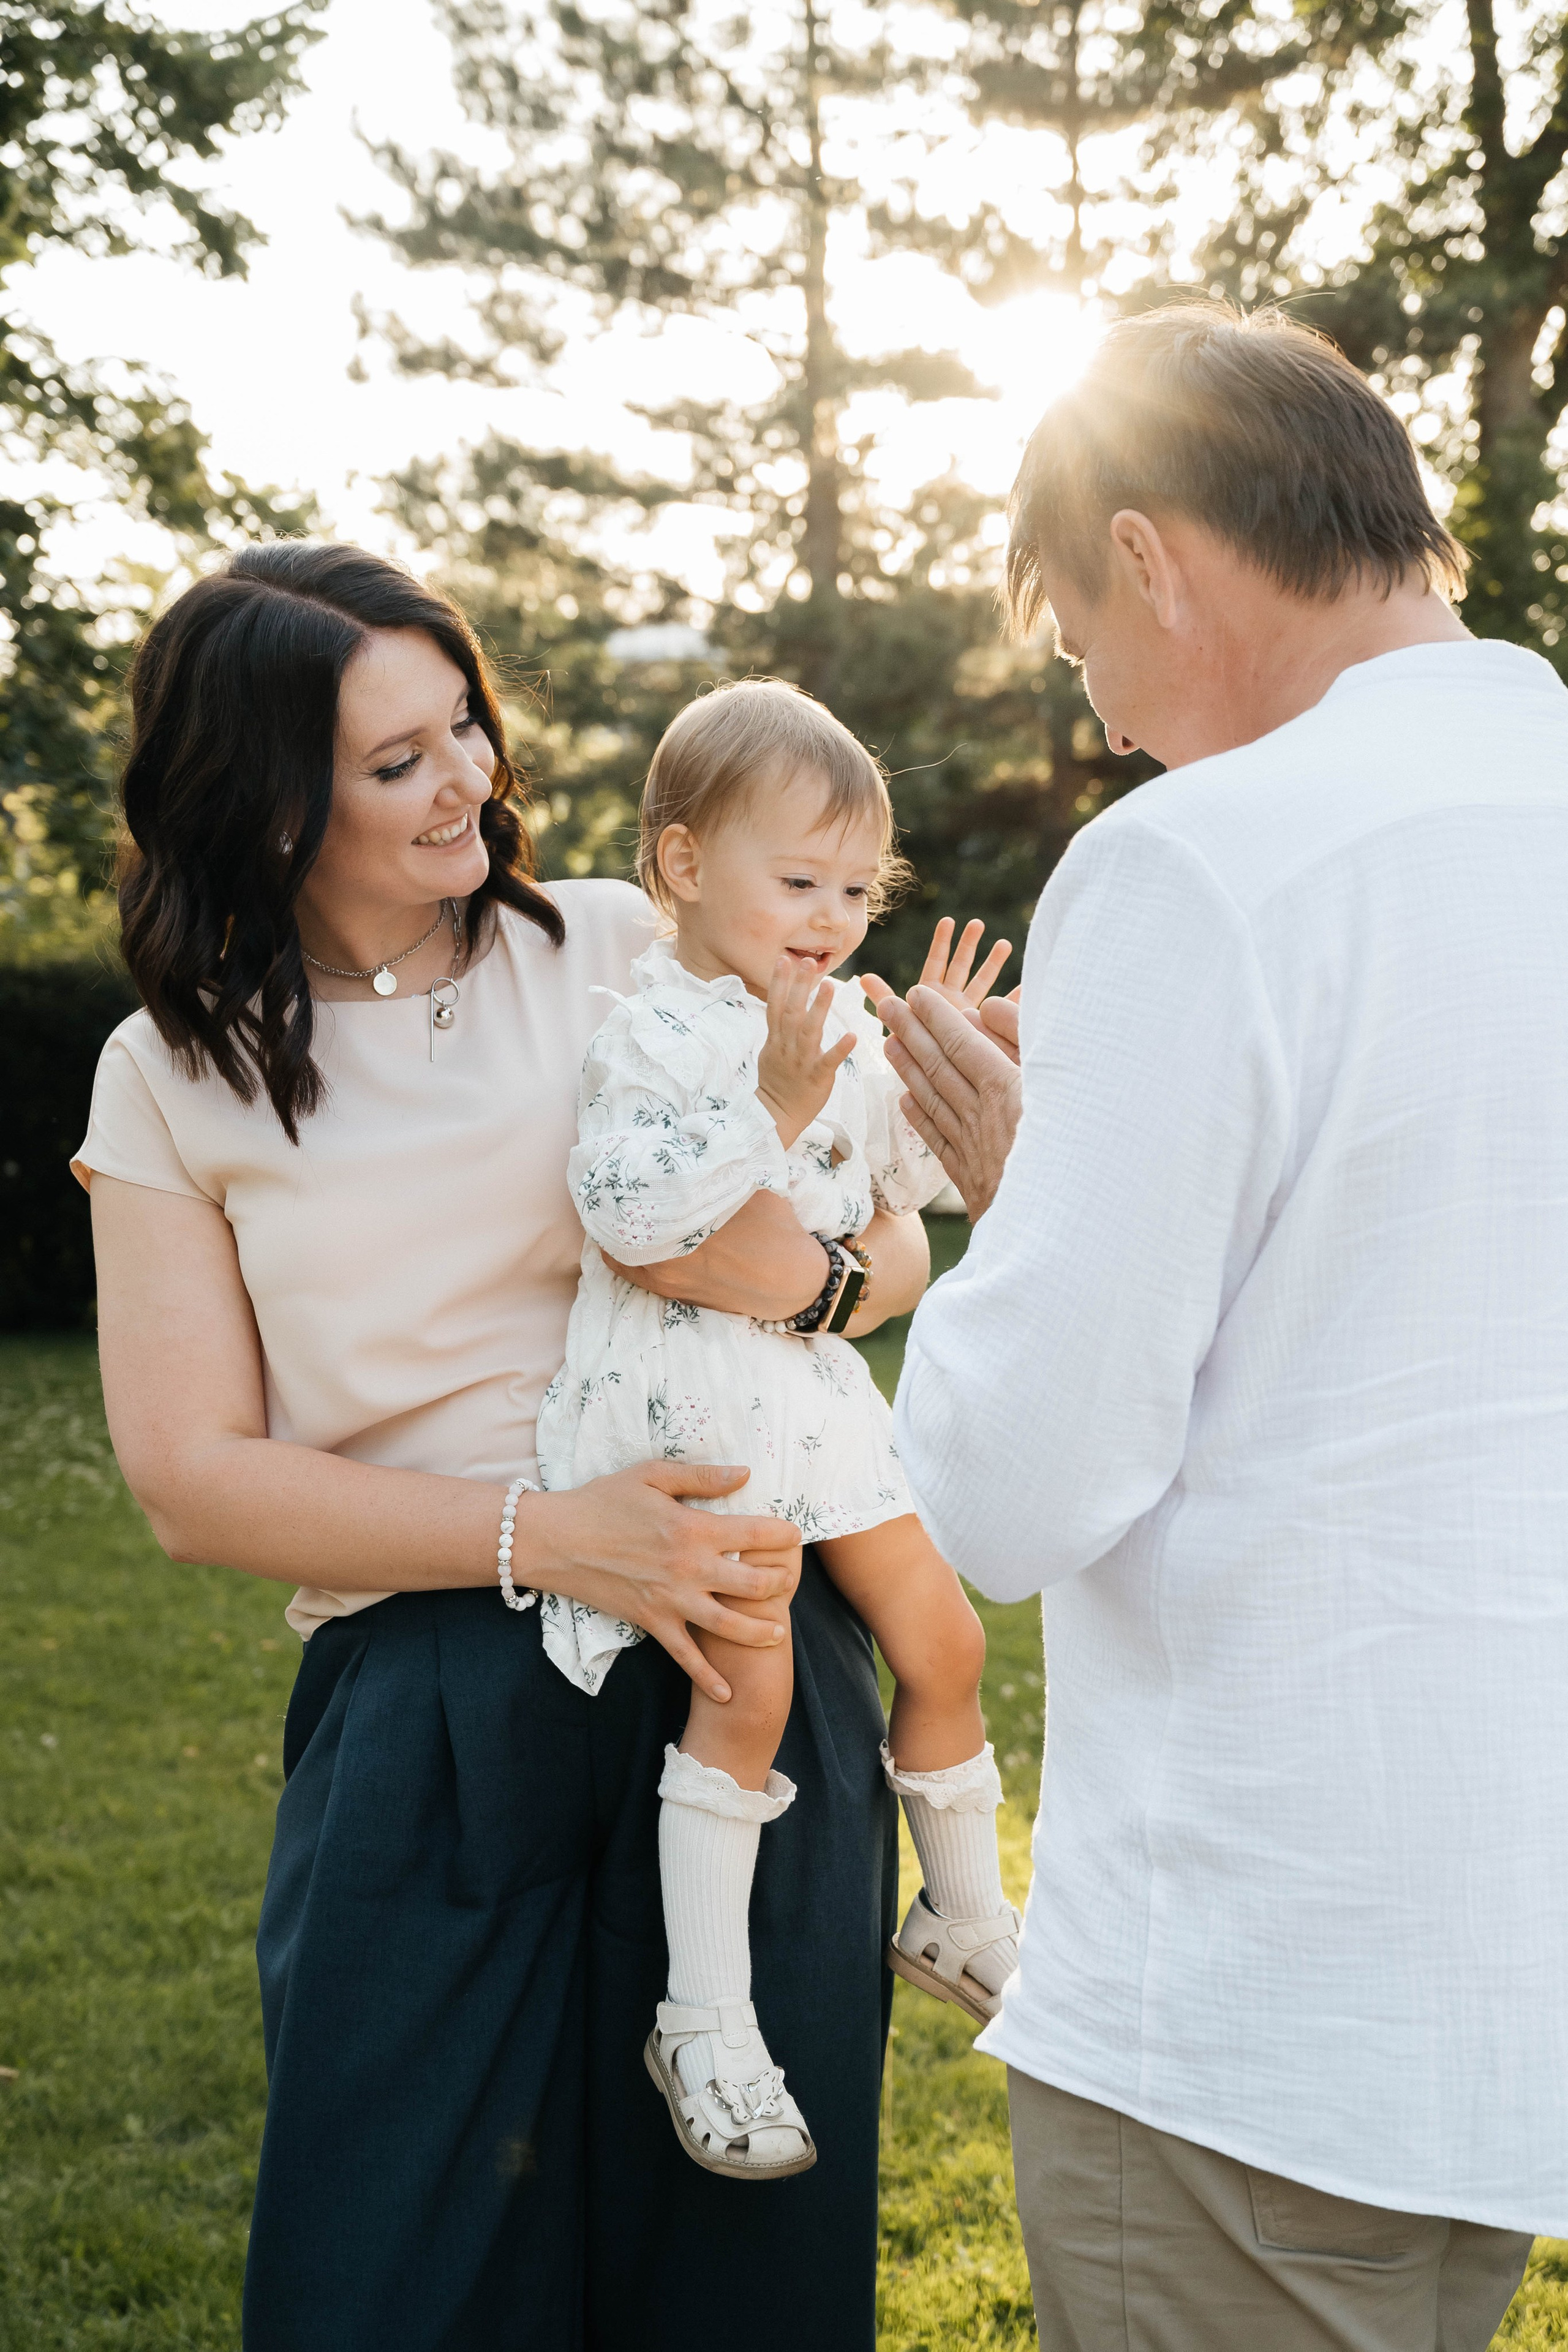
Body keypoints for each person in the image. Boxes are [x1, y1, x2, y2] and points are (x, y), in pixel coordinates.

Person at [75, 540, 932, 2351]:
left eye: (462, 725)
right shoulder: (165, 1074)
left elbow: (878, 1232)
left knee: (741, 2284)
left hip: (742, 1653)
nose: (465, 777)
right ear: (268, 801)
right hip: (430, 1706)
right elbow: (186, 1474)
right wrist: (549, 1538)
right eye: (395, 762)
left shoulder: (633, 942)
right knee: (390, 2266)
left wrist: (836, 1271)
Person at [872, 304, 1568, 2351]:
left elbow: (1010, 1486)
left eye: (1087, 643)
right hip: (1502, 1965)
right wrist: (1064, 1187)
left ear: (1158, 556)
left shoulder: (1201, 863)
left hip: (1259, 1978)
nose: (1108, 717)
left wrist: (1030, 1219)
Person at [532, 679, 1022, 2179]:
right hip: (694, 1423)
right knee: (740, 1700)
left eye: (857, 890)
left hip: (816, 1413)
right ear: (682, 867)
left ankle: (961, 1916)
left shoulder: (831, 1023)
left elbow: (900, 1201)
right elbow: (635, 1212)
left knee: (946, 1647)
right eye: (797, 880)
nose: (830, 916)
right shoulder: (654, 1031)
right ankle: (705, 2015)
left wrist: (950, 1072)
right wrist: (771, 1091)